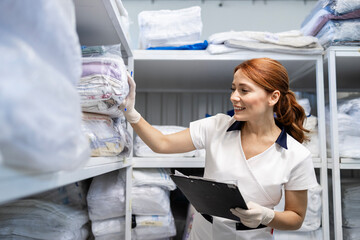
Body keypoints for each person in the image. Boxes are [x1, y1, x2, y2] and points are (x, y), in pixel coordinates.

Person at [120, 57, 319, 240]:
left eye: (244, 90)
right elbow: (161, 144)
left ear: (273, 97)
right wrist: (130, 112)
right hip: (204, 232)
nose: (234, 97)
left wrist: (267, 216)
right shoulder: (217, 127)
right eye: (233, 89)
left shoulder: (296, 155)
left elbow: (296, 217)